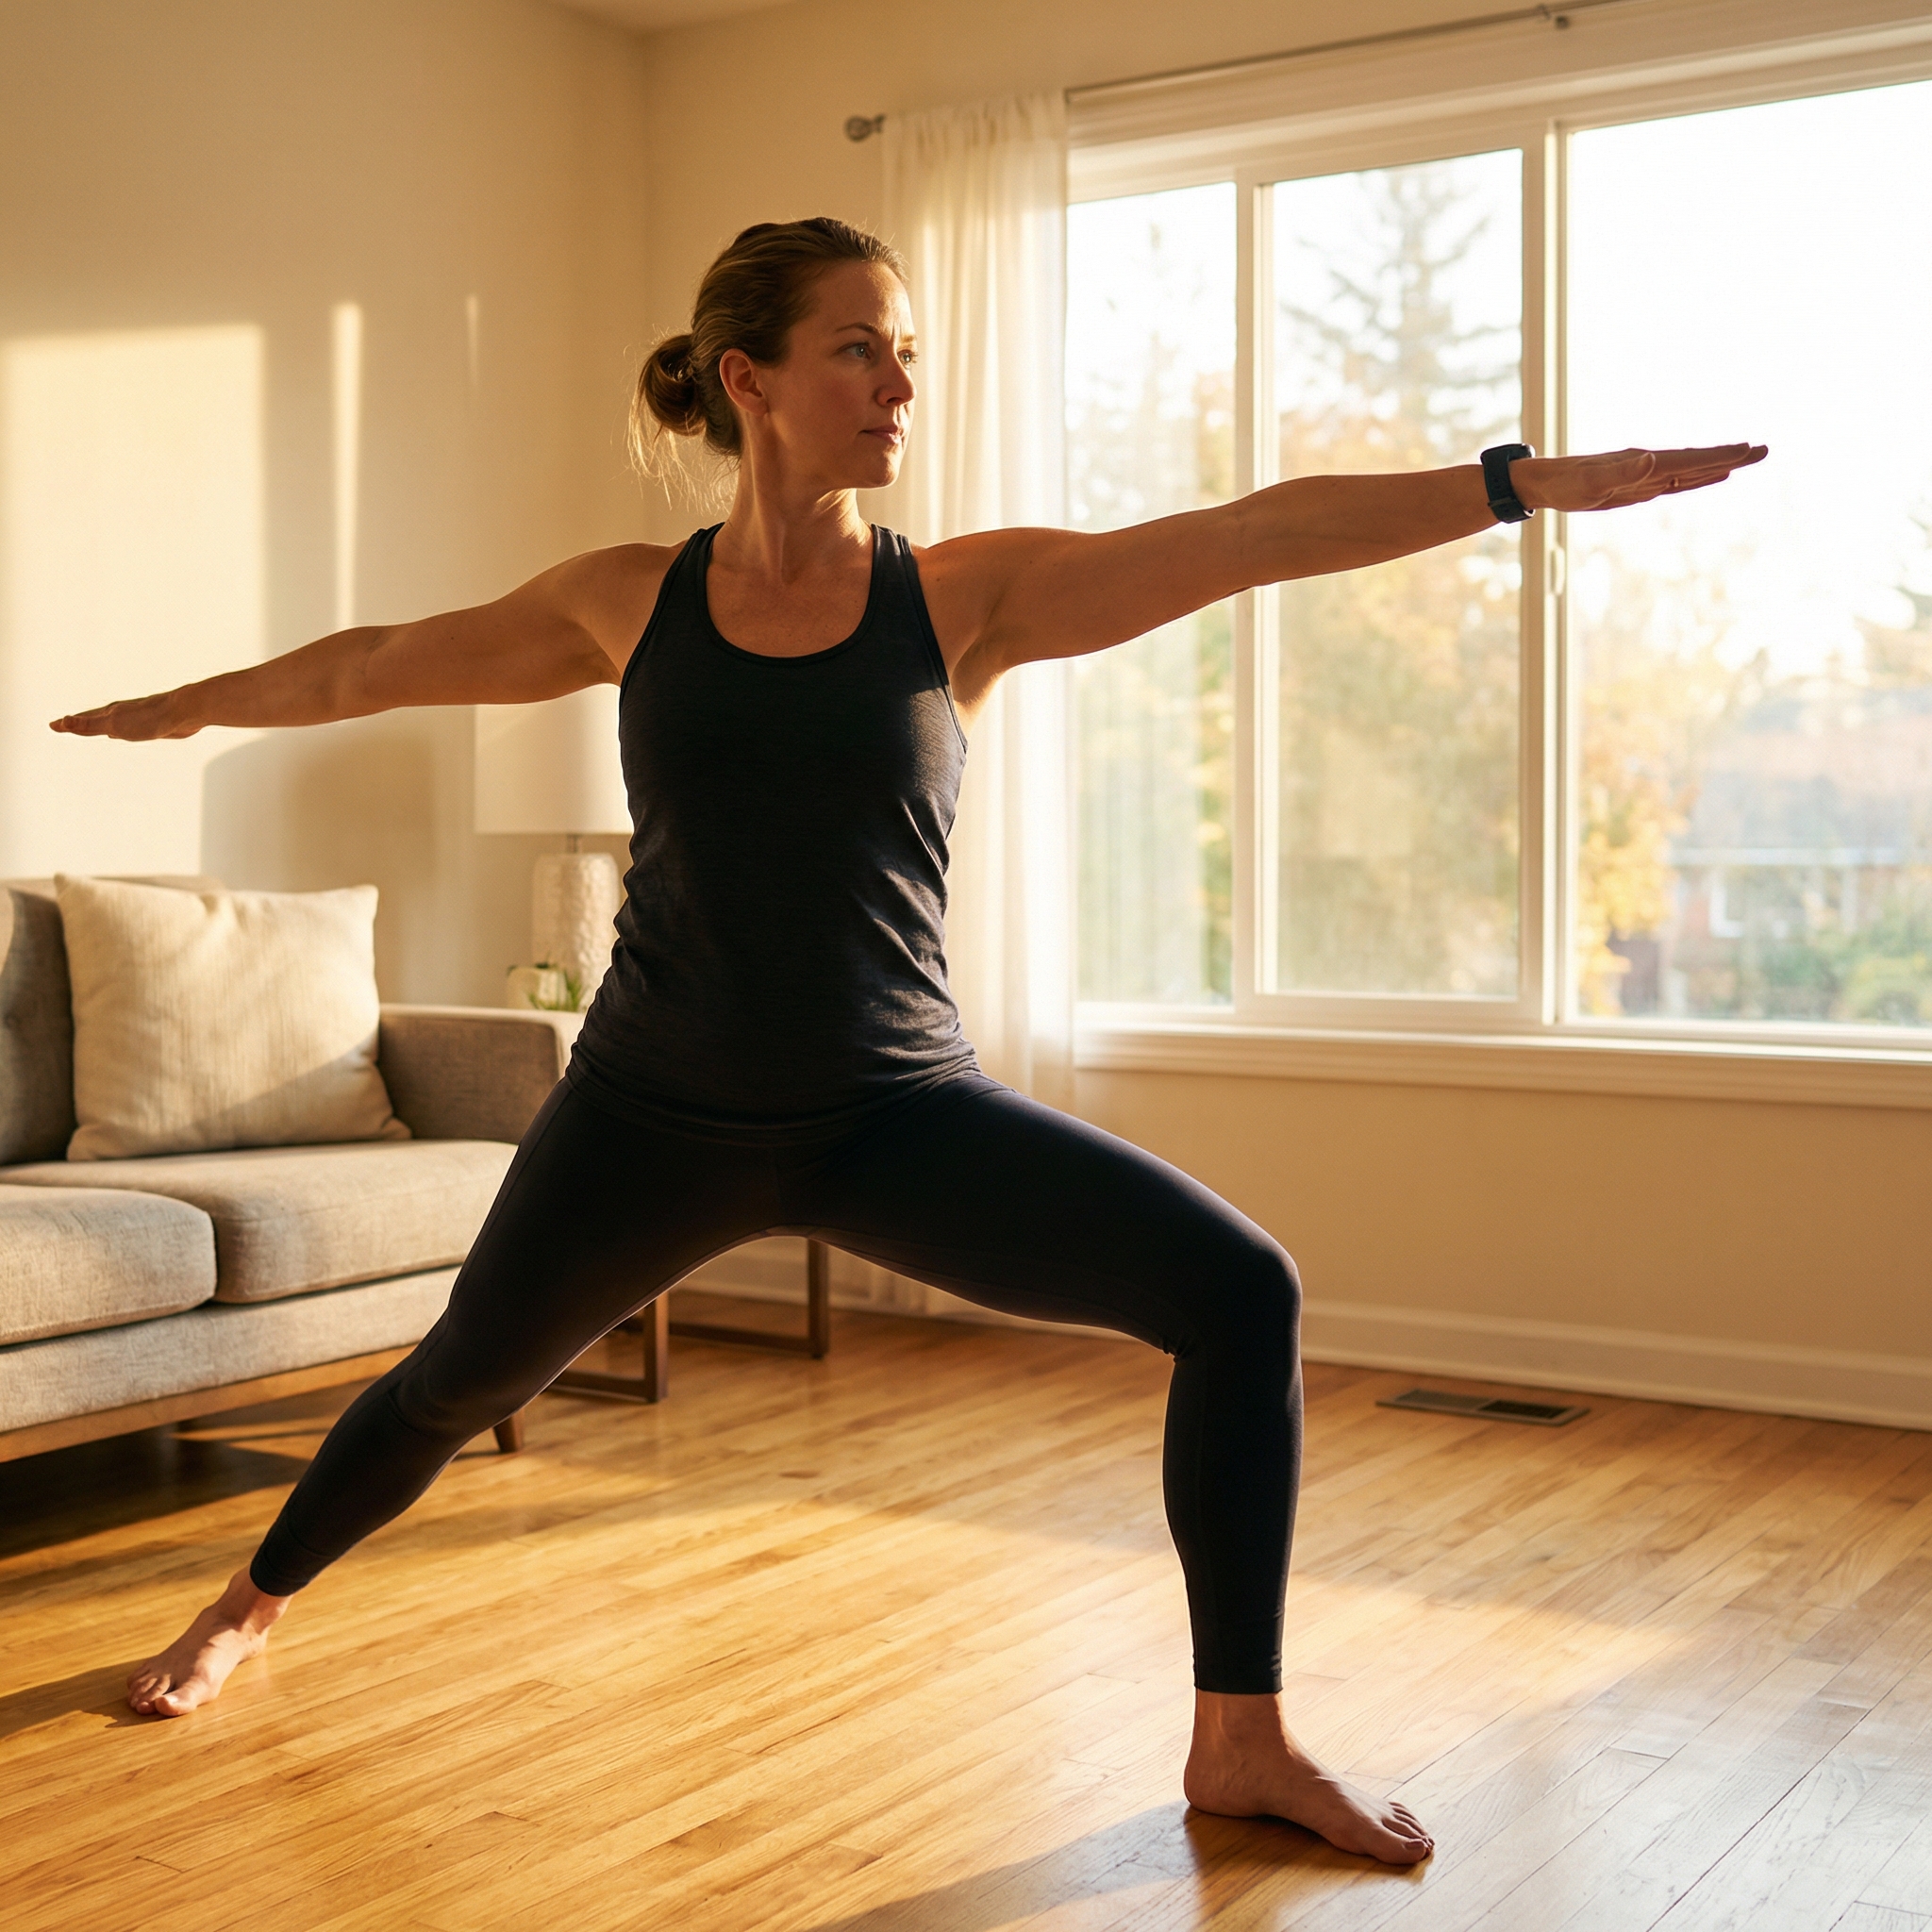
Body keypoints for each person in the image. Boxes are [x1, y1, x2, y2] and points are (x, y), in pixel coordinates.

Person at [55, 216, 1762, 1866]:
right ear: (751, 378)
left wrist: (1512, 484)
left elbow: (1251, 532)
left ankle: (1239, 1730)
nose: (898, 384)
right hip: (651, 1111)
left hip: (895, 1113)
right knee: (454, 1385)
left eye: (910, 350)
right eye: (860, 346)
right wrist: (188, 703)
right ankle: (244, 1608)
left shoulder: (962, 600)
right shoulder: (621, 601)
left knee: (1243, 1292)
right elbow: (372, 668)